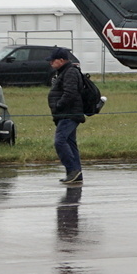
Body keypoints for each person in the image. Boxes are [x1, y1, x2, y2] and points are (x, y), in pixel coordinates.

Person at [48, 48, 88, 184]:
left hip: (69, 113)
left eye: (52, 60)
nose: (50, 63)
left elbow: (70, 93)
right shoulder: (64, 72)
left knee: (60, 141)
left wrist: (58, 105)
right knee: (70, 143)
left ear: (61, 60)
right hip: (67, 113)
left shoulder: (70, 72)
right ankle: (76, 173)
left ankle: (72, 170)